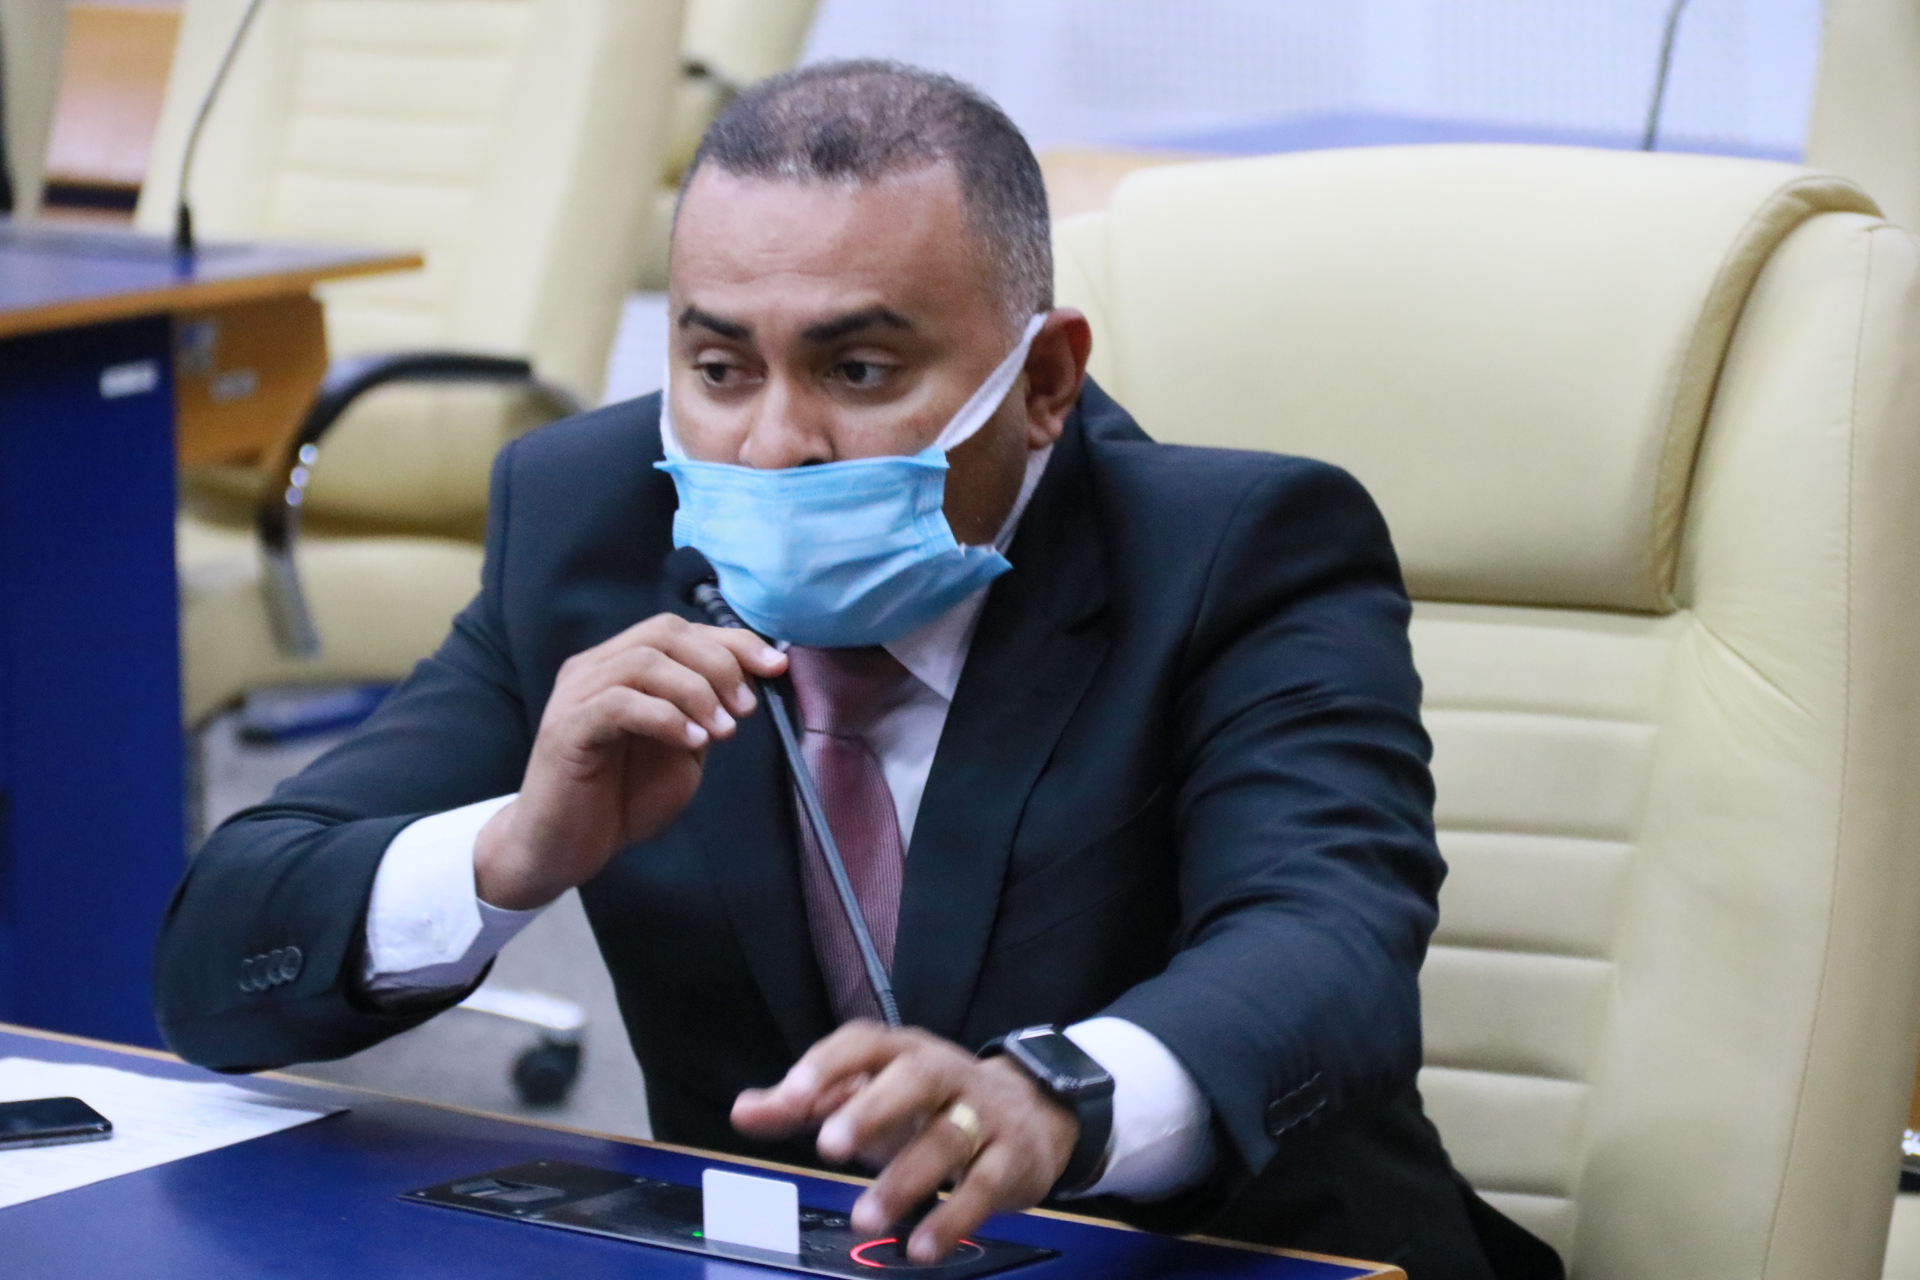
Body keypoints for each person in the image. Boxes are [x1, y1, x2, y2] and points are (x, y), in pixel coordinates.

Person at [153, 61, 1561, 1280]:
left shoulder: (1235, 551)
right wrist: (512, 852)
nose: (774, 444)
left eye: (862, 371)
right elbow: (220, 959)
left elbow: (1330, 943)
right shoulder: (591, 525)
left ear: (1045, 382)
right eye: (720, 369)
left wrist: (1054, 1099)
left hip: (1239, 1257)